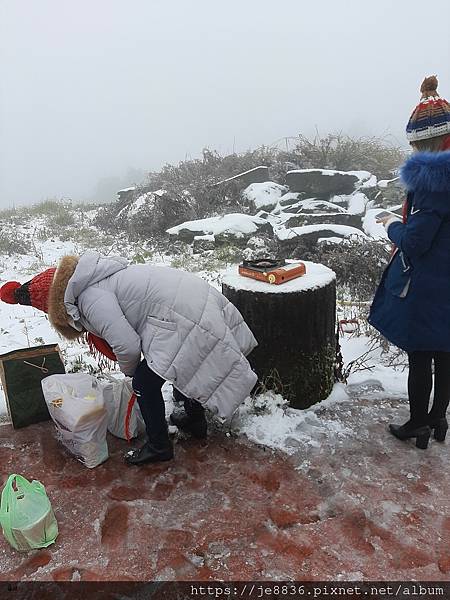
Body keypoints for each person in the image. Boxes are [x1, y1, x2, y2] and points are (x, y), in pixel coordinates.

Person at [0, 251, 258, 464]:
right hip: (191, 302)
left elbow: (127, 344)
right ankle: (193, 418)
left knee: (145, 382)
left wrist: (130, 373)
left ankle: (158, 447)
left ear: (58, 304)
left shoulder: (89, 299)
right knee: (178, 361)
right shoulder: (96, 278)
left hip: (182, 316)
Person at [369, 75, 450, 450]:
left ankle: (418, 422)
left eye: (417, 142)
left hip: (432, 280)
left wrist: (392, 225)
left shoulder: (436, 181)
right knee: (446, 351)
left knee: (421, 352)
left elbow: (416, 242)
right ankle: (438, 420)